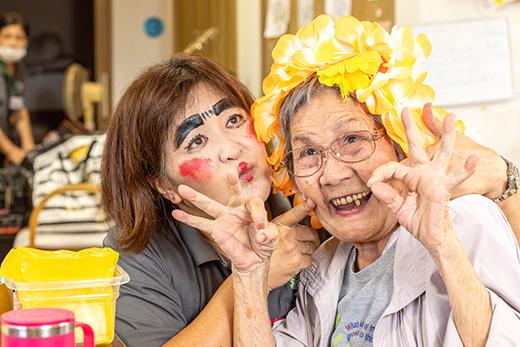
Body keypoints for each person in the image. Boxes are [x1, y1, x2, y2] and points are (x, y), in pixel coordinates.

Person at [172, 15, 520, 346]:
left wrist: (443, 246)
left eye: (352, 140)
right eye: (308, 153)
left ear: (400, 143)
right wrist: (249, 275)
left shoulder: (466, 223)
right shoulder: (323, 266)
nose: (333, 174)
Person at [100, 54, 321, 347]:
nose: (231, 149)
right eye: (196, 141)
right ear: (164, 186)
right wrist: (257, 276)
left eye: (234, 120)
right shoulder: (134, 252)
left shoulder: (310, 200)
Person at [0, 12, 35, 166]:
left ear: (27, 40)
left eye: (19, 37)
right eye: (7, 36)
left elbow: (20, 110)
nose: (13, 43)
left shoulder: (20, 69)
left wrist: (30, 149)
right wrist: (11, 151)